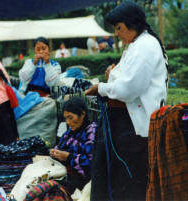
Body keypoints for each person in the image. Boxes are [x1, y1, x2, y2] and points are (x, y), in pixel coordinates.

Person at [85, 2, 168, 201]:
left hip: (134, 125)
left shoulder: (146, 46)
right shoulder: (135, 46)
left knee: (130, 179)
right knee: (120, 177)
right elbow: (120, 78)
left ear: (133, 24)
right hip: (124, 120)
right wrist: (112, 76)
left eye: (119, 27)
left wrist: (102, 88)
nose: (117, 33)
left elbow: (129, 88)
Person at [50, 96, 96, 194]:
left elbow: (91, 164)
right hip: (65, 173)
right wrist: (55, 152)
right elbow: (60, 146)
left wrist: (69, 157)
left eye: (71, 117)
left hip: (82, 182)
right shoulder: (70, 132)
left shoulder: (91, 132)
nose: (68, 122)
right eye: (66, 118)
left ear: (82, 114)